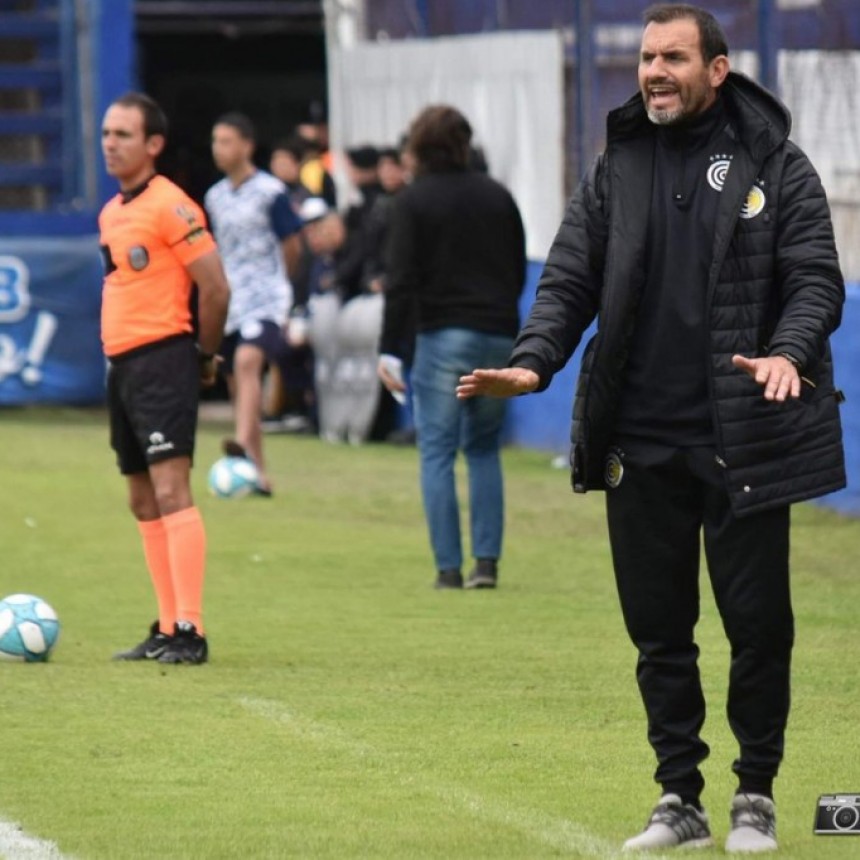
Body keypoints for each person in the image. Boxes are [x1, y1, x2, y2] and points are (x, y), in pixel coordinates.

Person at [457, 3, 845, 853]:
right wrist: (535, 359)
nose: (654, 72)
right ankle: (680, 797)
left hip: (743, 436)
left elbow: (816, 279)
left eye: (672, 56)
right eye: (644, 57)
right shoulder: (618, 164)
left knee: (757, 627)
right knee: (659, 634)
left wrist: (787, 350)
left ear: (717, 66)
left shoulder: (775, 164)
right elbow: (566, 279)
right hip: (639, 438)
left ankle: (755, 795)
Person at [99, 91, 230, 665]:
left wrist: (203, 356)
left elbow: (216, 286)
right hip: (123, 366)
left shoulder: (171, 206)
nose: (110, 142)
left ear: (153, 144)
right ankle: (165, 623)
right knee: (141, 498)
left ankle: (191, 631)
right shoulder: (113, 213)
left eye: (123, 134)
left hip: (163, 359)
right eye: (107, 132)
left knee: (172, 489)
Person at [379, 105, 526, 590]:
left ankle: (447, 569)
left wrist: (389, 349)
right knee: (483, 448)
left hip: (442, 335)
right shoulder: (499, 197)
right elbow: (517, 271)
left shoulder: (412, 202)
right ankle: (486, 564)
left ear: (418, 149)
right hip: (499, 334)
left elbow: (400, 281)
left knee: (437, 450)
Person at [205, 112, 303, 495]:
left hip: (265, 296)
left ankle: (242, 446)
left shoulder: (270, 191)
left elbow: (292, 244)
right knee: (236, 382)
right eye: (215, 141)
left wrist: (280, 284)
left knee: (248, 363)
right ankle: (258, 473)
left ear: (247, 145)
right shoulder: (214, 196)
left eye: (226, 140)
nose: (219, 149)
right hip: (232, 299)